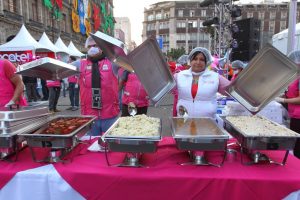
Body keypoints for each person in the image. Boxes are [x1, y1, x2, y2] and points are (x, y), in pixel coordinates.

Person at [71, 36, 120, 136]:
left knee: (112, 146)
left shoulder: (112, 63)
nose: (92, 48)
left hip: (110, 114)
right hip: (89, 116)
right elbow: (59, 68)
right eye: (89, 46)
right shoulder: (80, 64)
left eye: (95, 45)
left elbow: (129, 62)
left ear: (102, 47)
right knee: (89, 146)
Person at [174, 47, 230, 118]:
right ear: (190, 61)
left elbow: (233, 91)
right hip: (184, 121)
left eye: (202, 60)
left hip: (208, 122)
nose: (198, 62)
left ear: (207, 62)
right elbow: (163, 89)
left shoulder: (216, 77)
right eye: (195, 59)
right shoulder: (179, 76)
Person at [275, 50, 300, 159]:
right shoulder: (297, 76)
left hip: (299, 117)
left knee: (298, 147)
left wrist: (284, 101)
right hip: (294, 115)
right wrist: (283, 95)